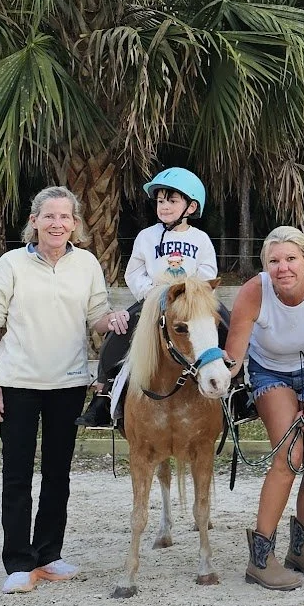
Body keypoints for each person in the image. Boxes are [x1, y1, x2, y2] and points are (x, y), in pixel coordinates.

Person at [0, 186, 131, 595]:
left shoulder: (86, 265)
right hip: (18, 383)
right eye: (49, 216)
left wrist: (113, 318)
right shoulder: (12, 264)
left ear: (75, 223)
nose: (57, 223)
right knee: (17, 475)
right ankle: (18, 562)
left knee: (57, 474)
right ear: (35, 221)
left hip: (68, 383)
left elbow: (96, 316)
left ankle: (48, 554)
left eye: (65, 217)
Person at [224, 226, 304, 590]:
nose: (283, 268)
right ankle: (260, 558)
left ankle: (301, 546)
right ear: (265, 266)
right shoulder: (253, 292)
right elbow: (234, 355)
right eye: (274, 261)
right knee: (290, 456)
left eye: (291, 259)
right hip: (269, 371)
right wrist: (217, 375)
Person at [80, 167, 218, 428]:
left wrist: (192, 293)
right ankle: (104, 395)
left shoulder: (200, 239)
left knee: (227, 322)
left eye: (172, 200)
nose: (164, 206)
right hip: (154, 300)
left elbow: (208, 272)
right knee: (119, 334)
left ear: (191, 207)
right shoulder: (146, 237)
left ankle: (238, 388)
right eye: (160, 200)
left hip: (191, 303)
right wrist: (151, 293)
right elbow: (134, 272)